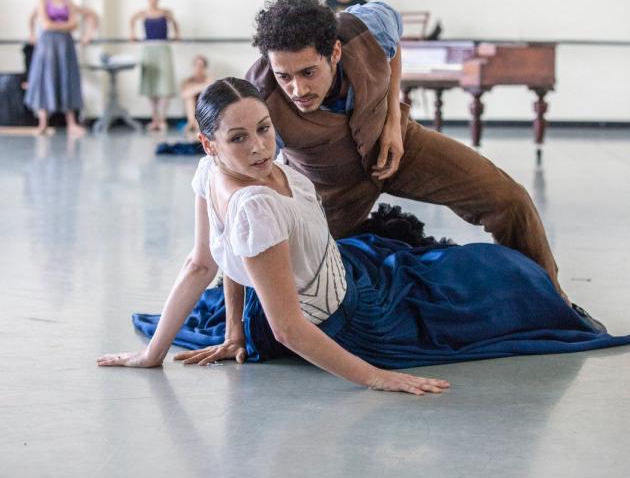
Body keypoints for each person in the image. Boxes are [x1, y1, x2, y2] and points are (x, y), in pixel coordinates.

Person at [97, 77, 630, 395]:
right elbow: (286, 328)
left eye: (263, 127)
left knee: (445, 263)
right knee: (501, 283)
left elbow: (209, 262)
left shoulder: (217, 172)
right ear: (208, 144)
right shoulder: (253, 203)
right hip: (355, 321)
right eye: (238, 138)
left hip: (344, 270)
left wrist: (231, 330)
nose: (260, 147)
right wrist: (376, 378)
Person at [244, 0, 569, 301]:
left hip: (400, 146)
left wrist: (392, 123)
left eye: (308, 72)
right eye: (284, 76)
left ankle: (553, 300)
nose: (297, 89)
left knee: (509, 199)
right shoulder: (260, 99)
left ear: (335, 52)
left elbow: (393, 45)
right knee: (301, 285)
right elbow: (245, 184)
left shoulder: (365, 28)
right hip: (331, 189)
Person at [25, 0, 85, 137]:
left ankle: (71, 123)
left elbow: (74, 24)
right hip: (47, 47)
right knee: (45, 80)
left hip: (65, 47)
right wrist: (34, 32)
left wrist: (55, 25)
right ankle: (42, 123)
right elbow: (45, 24)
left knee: (67, 80)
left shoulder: (70, 3)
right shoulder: (43, 0)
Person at [130, 0, 180, 132]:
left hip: (163, 47)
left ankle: (163, 118)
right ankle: (154, 118)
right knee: (150, 84)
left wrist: (177, 34)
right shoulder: (143, 13)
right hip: (148, 48)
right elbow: (132, 19)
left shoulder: (165, 12)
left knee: (165, 83)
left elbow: (175, 23)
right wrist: (132, 34)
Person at [28, 0, 99, 47]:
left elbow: (91, 15)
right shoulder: (44, 1)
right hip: (47, 43)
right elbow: (39, 21)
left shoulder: (69, 4)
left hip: (64, 42)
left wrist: (88, 35)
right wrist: (32, 34)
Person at [180, 55, 212, 136]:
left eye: (201, 66)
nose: (198, 68)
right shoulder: (187, 80)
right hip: (192, 110)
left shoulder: (208, 79)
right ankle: (192, 123)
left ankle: (195, 124)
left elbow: (210, 92)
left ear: (205, 68)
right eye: (196, 65)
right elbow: (184, 95)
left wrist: (193, 88)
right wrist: (201, 87)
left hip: (204, 110)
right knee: (189, 99)